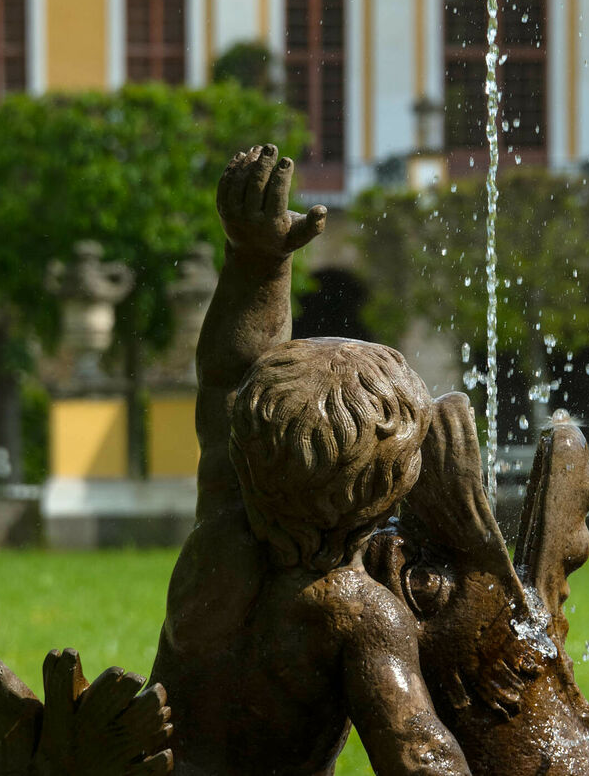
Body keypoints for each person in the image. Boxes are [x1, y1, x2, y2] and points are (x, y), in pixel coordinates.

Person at [148, 145, 470, 776]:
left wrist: (257, 262)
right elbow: (418, 752)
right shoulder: (356, 612)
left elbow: (225, 377)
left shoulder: (222, 532)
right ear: (392, 485)